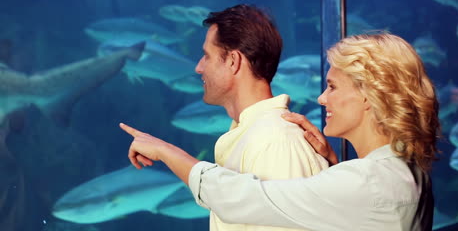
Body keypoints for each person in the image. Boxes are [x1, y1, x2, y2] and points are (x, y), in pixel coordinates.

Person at [121, 33, 440, 230]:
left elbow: (246, 198)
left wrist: (165, 151)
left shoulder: (369, 183)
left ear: (370, 95)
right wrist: (331, 165)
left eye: (332, 86)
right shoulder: (406, 172)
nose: (321, 98)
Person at [124, 4, 328, 231]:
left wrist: (166, 151)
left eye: (206, 56)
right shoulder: (252, 134)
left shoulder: (277, 139)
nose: (199, 68)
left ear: (233, 61)